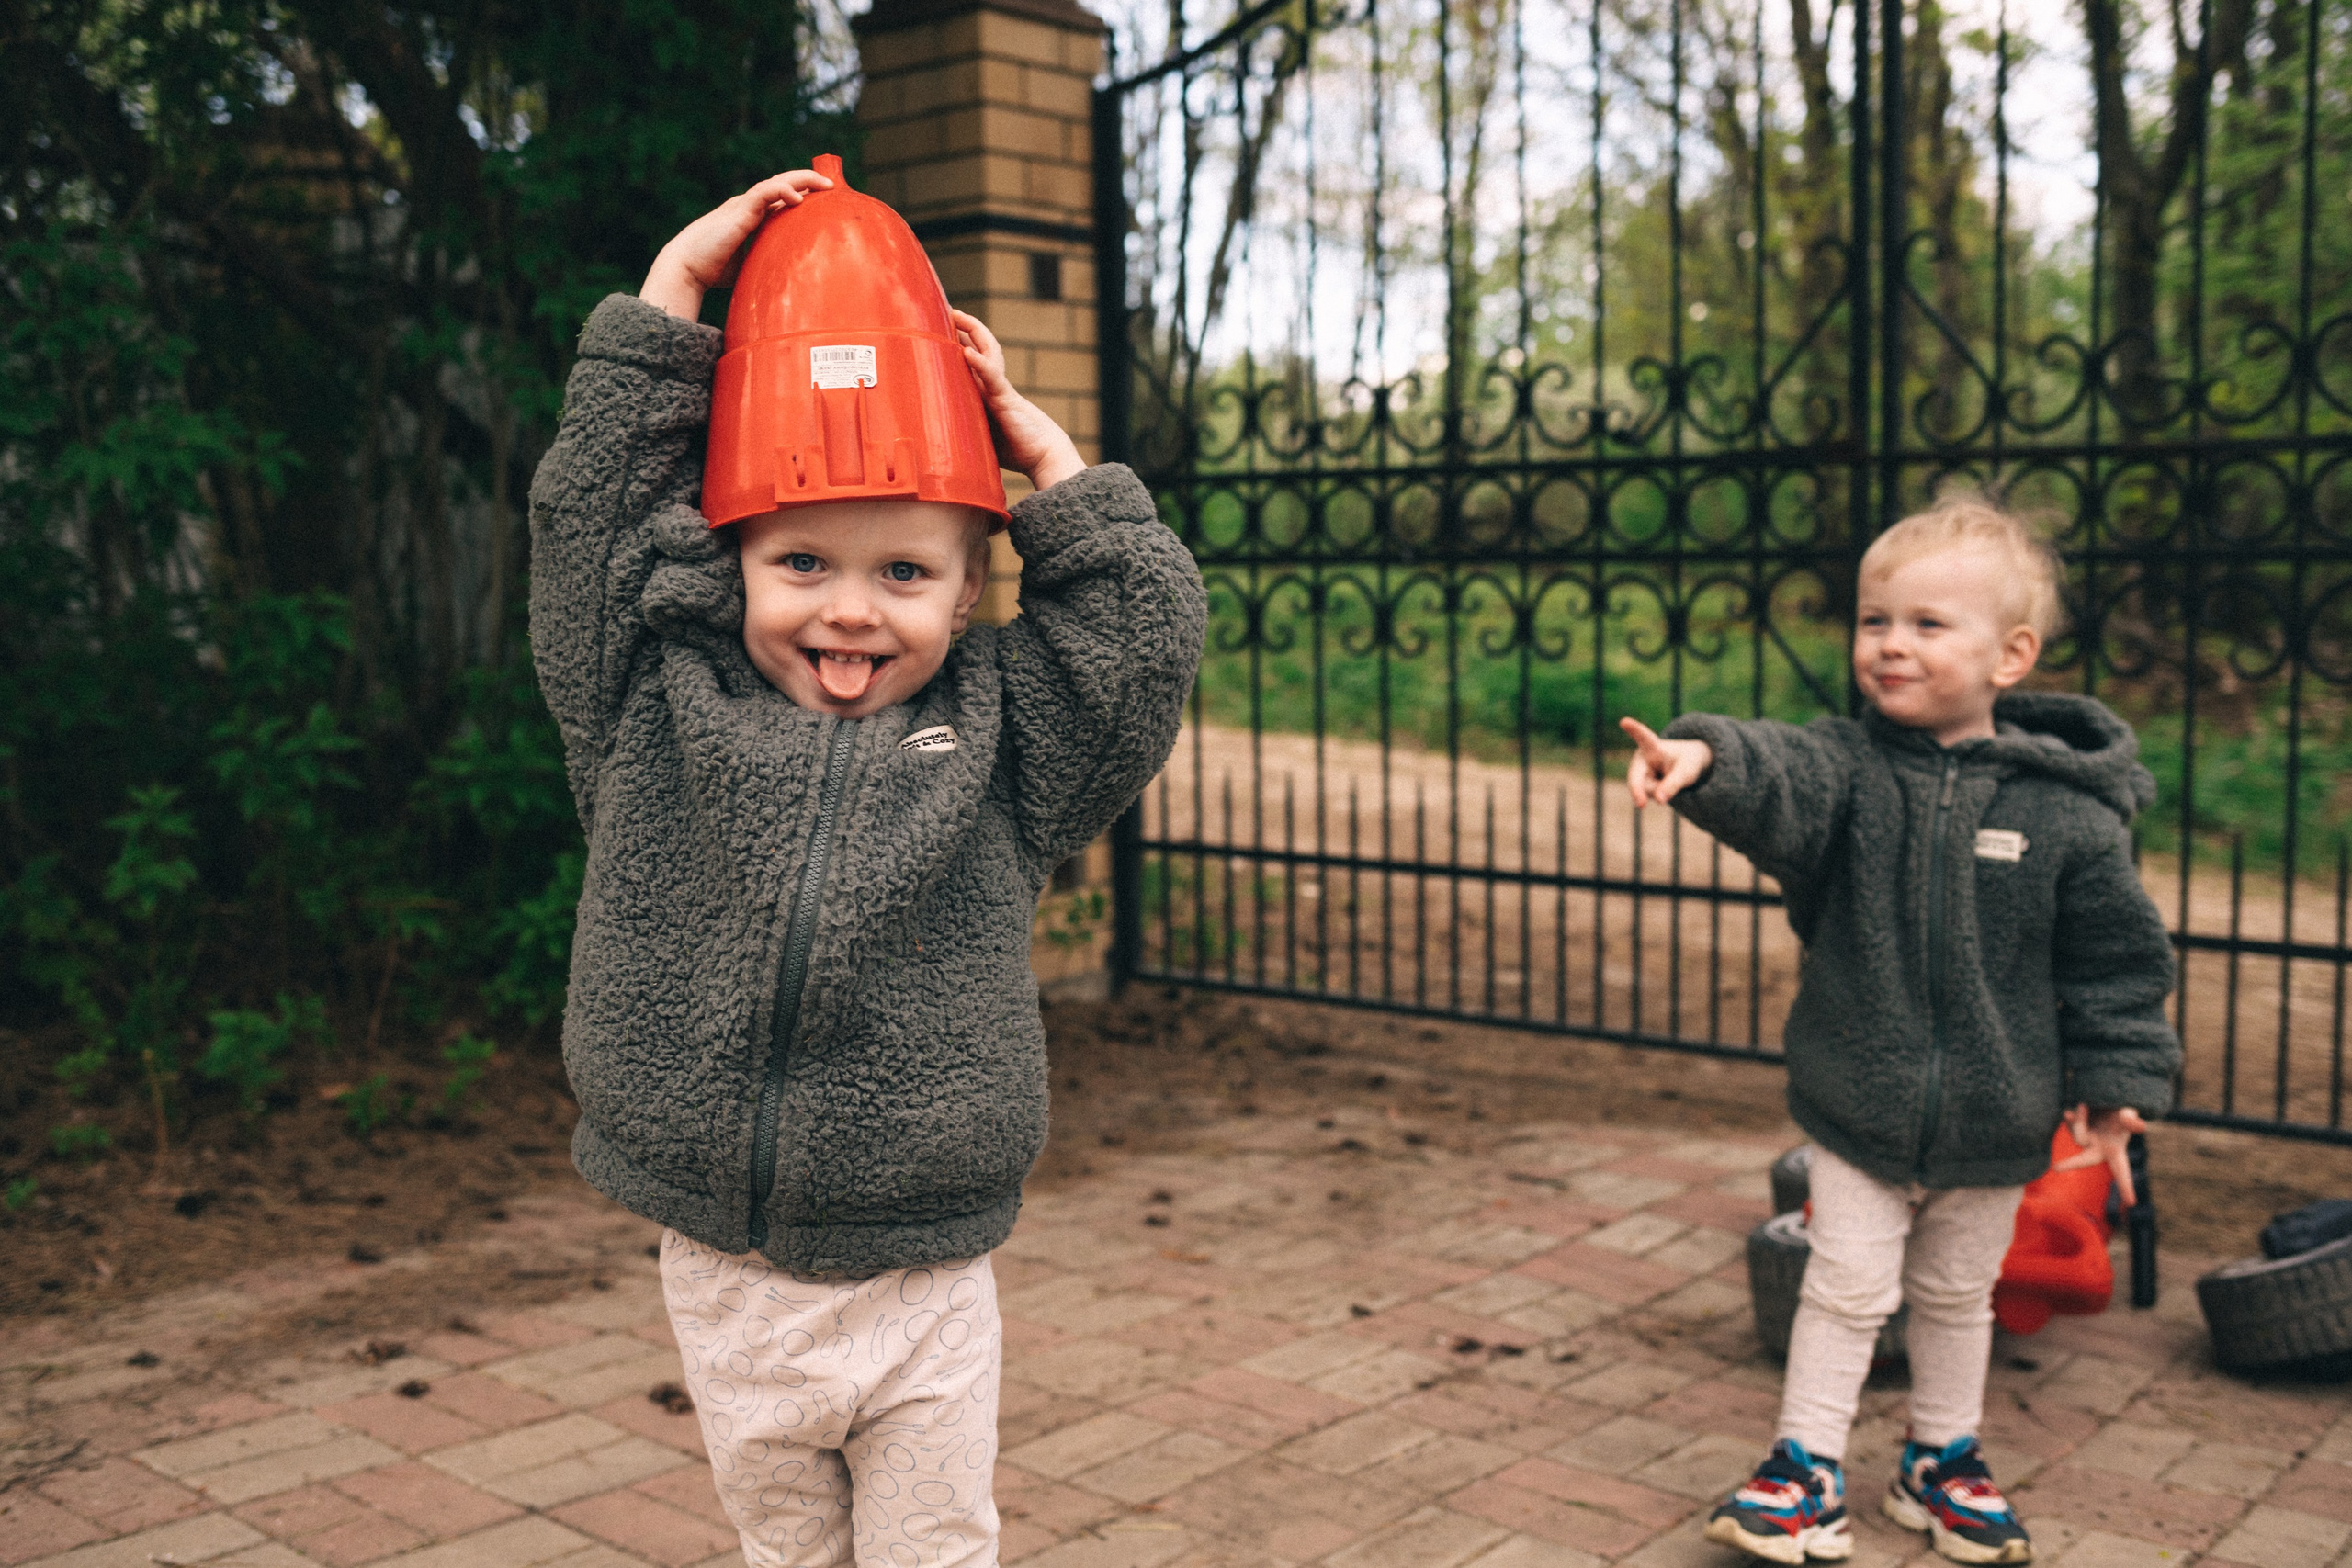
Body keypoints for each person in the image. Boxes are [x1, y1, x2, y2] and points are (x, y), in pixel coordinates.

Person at [528, 168, 1206, 1567]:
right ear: (733, 560)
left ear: (970, 589)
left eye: (904, 573)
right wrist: (673, 293)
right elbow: (589, 523)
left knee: (931, 1548)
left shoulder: (1009, 739)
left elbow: (1139, 649)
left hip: (923, 1275)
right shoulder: (650, 700)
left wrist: (1045, 456)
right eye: (801, 562)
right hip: (726, 1271)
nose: (849, 609)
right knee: (788, 1549)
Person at [1620, 497, 2179, 1566]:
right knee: (1843, 1288)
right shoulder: (1848, 772)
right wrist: (1703, 759)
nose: (1889, 644)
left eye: (1927, 624)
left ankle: (1940, 1461)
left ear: (2010, 656)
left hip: (1998, 1114)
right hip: (1859, 1099)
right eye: (1874, 619)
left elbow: (2113, 964)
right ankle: (1803, 1471)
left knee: (1959, 1295)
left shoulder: (2067, 813)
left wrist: (2116, 1091)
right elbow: (1778, 772)